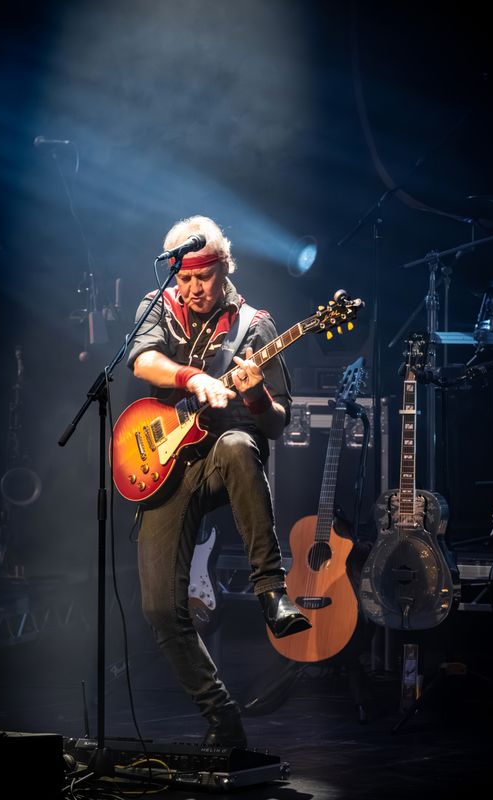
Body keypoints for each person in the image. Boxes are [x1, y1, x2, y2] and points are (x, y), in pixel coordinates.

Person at [127, 214, 311, 749]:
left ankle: (271, 592)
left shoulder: (255, 326)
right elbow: (143, 361)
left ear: (223, 267)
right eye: (183, 278)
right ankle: (221, 714)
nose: (191, 288)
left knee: (237, 443)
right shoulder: (157, 304)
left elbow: (277, 423)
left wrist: (253, 397)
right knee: (161, 610)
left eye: (201, 278)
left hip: (222, 457)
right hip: (163, 462)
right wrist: (193, 378)